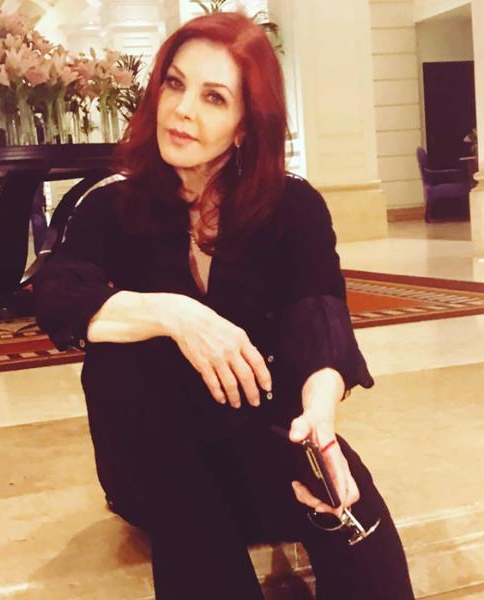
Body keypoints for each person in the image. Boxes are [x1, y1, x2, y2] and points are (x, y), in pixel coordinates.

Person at [34, 12, 415, 600]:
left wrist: (318, 418)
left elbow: (320, 319)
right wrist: (178, 316)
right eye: (175, 84)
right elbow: (57, 296)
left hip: (256, 446)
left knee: (345, 495)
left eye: (214, 97)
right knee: (131, 353)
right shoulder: (111, 207)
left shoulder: (293, 207)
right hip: (153, 466)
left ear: (244, 126)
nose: (183, 110)